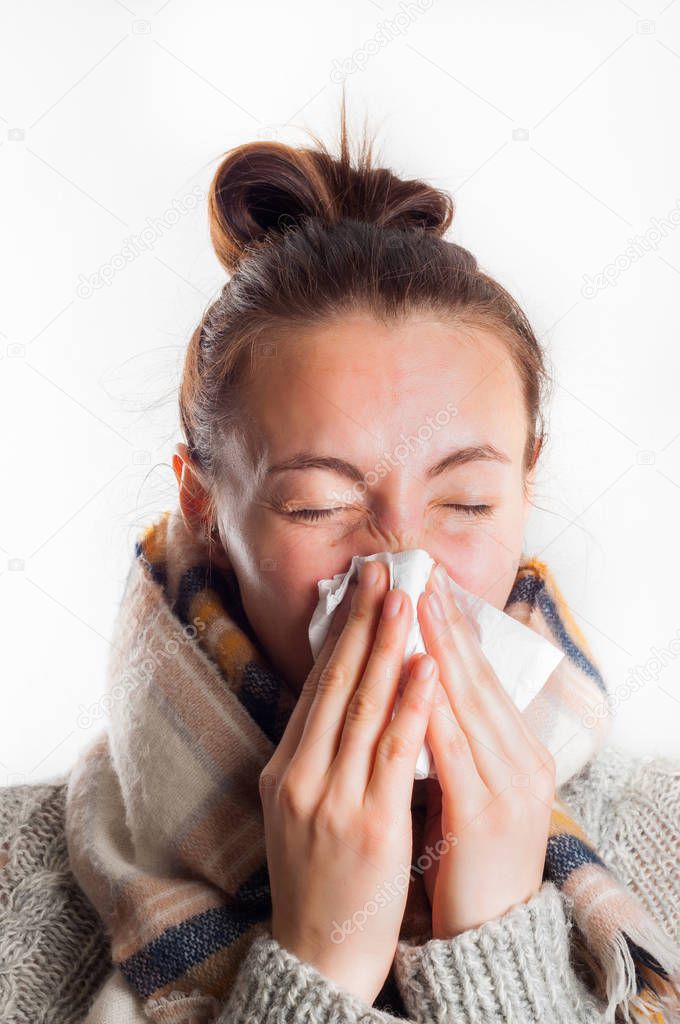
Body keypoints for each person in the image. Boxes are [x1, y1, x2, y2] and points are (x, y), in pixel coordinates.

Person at [1, 97, 679, 1024]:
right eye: (320, 504)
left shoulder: (667, 840)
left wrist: (500, 955)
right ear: (201, 502)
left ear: (527, 484)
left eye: (467, 503)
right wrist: (314, 971)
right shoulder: (16, 885)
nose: (402, 569)